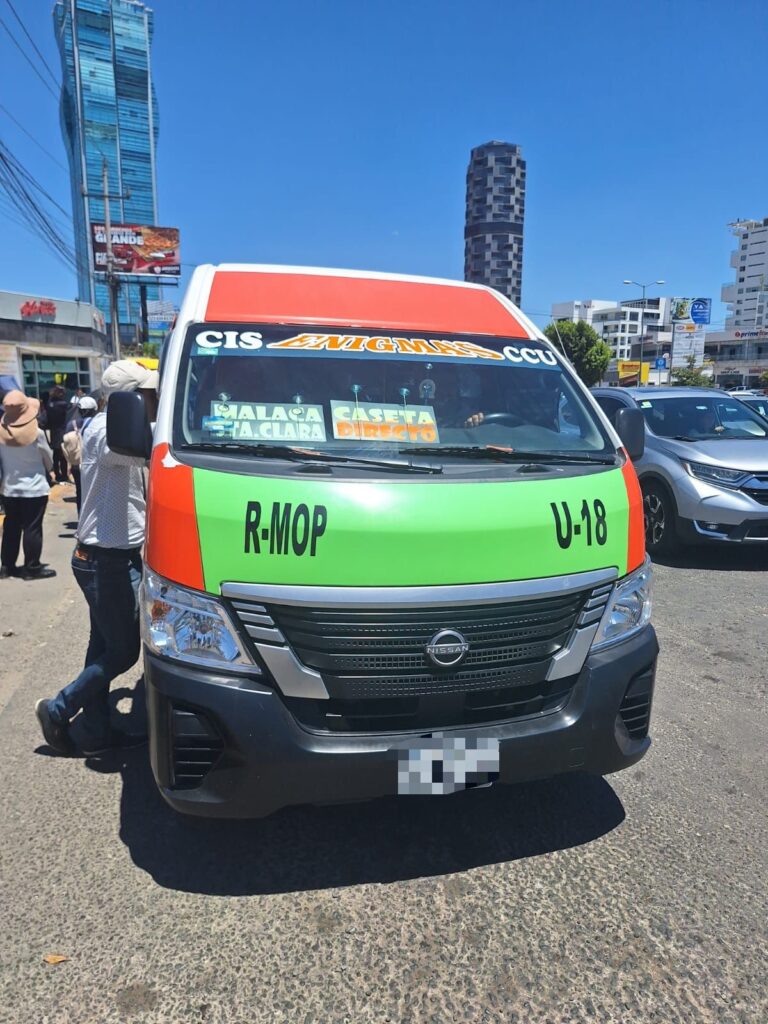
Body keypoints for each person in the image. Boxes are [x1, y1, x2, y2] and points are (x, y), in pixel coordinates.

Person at [35, 361, 158, 756]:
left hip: (110, 557)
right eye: (146, 394)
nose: (152, 400)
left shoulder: (113, 428)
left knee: (101, 646)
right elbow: (150, 449)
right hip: (106, 561)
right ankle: (59, 708)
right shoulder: (110, 431)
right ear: (127, 399)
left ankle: (97, 730)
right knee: (123, 652)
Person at [0, 390, 57, 580]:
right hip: (34, 487)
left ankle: (7, 566)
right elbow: (48, 458)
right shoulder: (36, 433)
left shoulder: (1, 432)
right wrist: (50, 470)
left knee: (11, 527)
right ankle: (32, 567)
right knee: (32, 528)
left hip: (9, 488)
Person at [63, 394, 101, 514]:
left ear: (79, 410)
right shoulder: (98, 425)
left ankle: (81, 520)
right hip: (94, 464)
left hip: (77, 464)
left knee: (80, 492)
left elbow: (68, 446)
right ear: (95, 410)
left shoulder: (71, 425)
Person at [44, 385, 70, 483]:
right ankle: (64, 476)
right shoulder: (63, 404)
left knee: (55, 455)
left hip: (53, 432)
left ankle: (57, 475)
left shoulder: (49, 404)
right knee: (63, 456)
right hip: (62, 431)